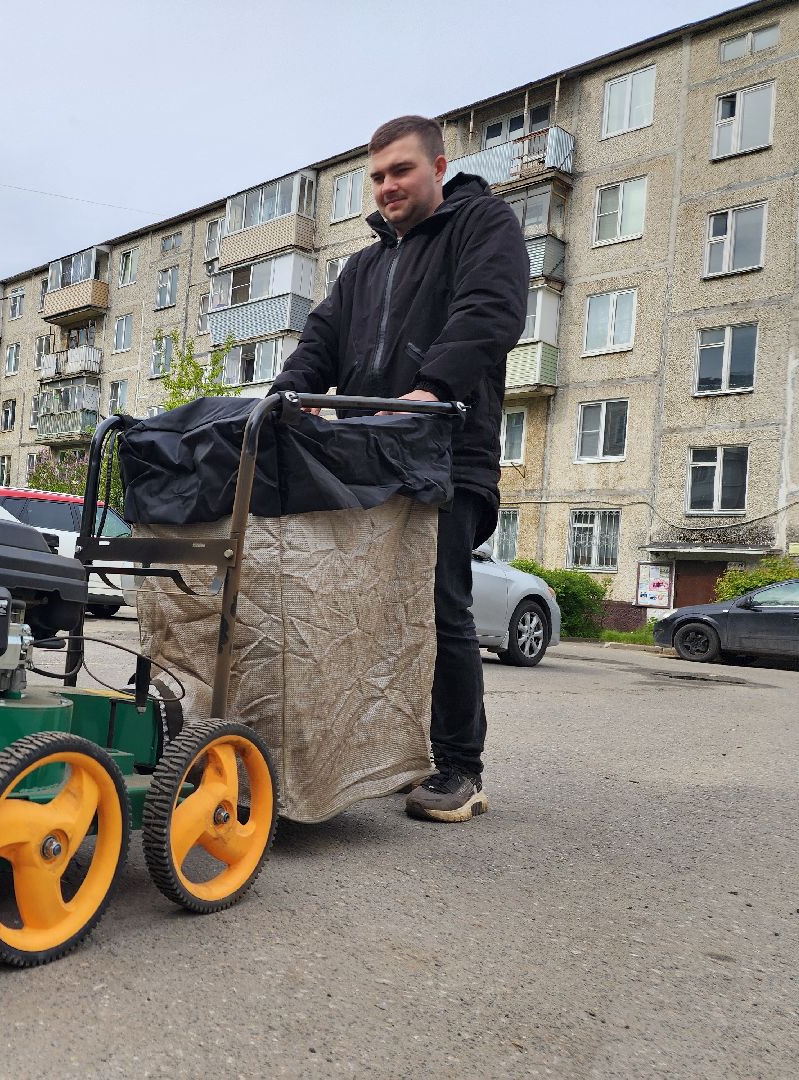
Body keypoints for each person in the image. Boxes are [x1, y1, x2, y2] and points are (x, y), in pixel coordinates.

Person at [270, 114, 528, 822]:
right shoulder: (364, 265)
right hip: (365, 460)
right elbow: (319, 341)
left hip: (447, 451)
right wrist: (283, 399)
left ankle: (461, 769)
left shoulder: (484, 225)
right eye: (377, 176)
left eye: (401, 171)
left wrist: (431, 388)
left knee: (438, 607)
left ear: (438, 166)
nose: (387, 186)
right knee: (354, 612)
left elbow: (491, 311)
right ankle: (365, 755)